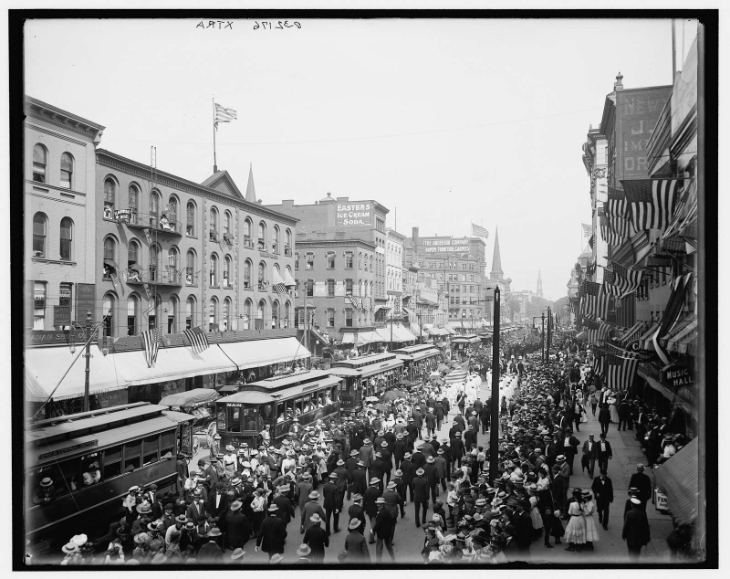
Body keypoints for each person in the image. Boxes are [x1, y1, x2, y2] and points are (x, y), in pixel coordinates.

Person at [371, 497, 396, 563]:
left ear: (381, 505)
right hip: (387, 532)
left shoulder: (380, 514)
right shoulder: (387, 511)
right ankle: (393, 557)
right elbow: (390, 522)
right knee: (389, 546)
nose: (377, 505)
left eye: (378, 504)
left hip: (381, 533)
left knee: (379, 547)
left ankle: (378, 561)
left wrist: (373, 530)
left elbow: (378, 524)